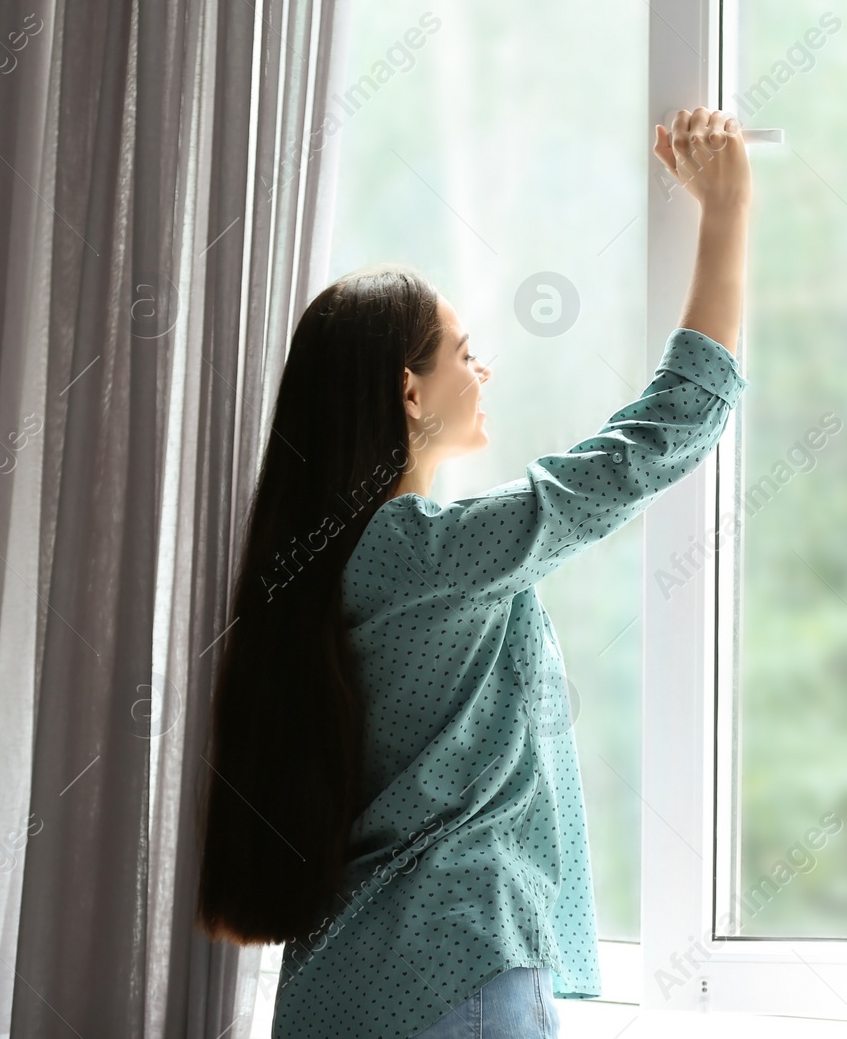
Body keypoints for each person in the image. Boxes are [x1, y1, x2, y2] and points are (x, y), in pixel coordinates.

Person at [194, 106, 752, 1038]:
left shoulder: (315, 561)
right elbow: (666, 431)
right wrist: (728, 210)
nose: (483, 367)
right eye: (463, 350)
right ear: (409, 392)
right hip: (459, 964)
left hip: (328, 986)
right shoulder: (434, 551)